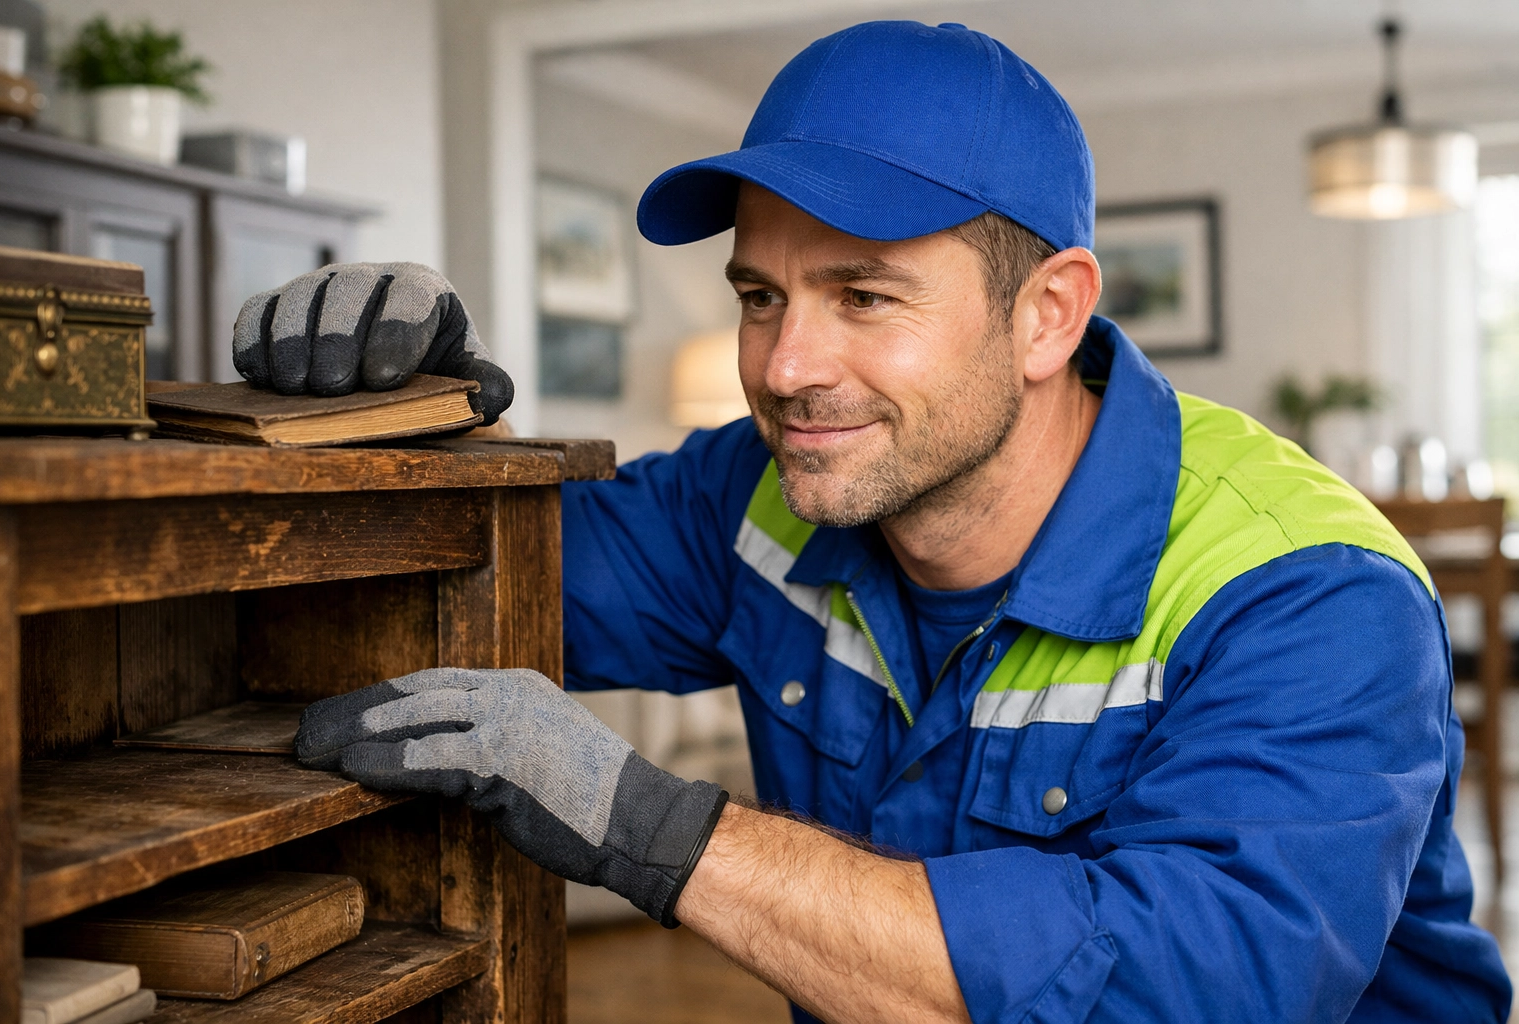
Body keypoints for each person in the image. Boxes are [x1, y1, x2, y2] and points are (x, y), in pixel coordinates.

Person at [248, 21, 1512, 1024]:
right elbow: (442, 584)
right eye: (761, 295)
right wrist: (402, 415)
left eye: (863, 294)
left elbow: (1176, 988)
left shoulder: (1307, 592)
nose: (786, 366)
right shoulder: (757, 493)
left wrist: (650, 832)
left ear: (1048, 314)